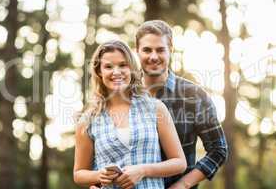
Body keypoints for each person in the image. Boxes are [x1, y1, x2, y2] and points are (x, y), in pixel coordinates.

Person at [73, 40, 187, 189]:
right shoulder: (87, 121)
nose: (116, 72)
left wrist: (143, 170)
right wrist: (99, 175)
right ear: (99, 72)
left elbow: (179, 162)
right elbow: (79, 173)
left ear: (132, 69)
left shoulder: (155, 108)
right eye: (108, 66)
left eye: (122, 65)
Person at [135, 20, 228, 189]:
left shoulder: (194, 95)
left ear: (170, 50)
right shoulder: (124, 96)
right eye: (147, 50)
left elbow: (218, 149)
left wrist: (183, 184)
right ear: (137, 52)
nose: (153, 56)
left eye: (160, 50)